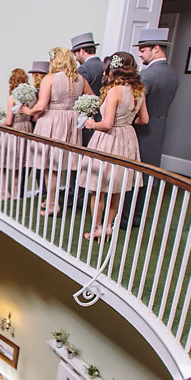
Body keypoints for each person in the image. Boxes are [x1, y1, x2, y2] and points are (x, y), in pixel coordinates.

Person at [79, 52, 148, 240]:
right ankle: (108, 227)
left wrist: (92, 124)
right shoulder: (138, 90)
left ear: (113, 69)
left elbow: (107, 124)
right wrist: (126, 123)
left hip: (108, 139)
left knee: (98, 188)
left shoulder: (114, 91)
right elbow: (144, 119)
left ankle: (96, 228)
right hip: (128, 139)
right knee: (116, 188)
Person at [23, 47, 93, 216]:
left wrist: (27, 111)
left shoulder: (50, 79)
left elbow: (40, 106)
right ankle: (51, 200)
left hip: (51, 122)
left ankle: (53, 204)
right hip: (70, 124)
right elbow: (93, 98)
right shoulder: (80, 79)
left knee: (49, 166)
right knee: (58, 166)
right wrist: (79, 112)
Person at [124, 27, 181, 227]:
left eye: (142, 49)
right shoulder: (172, 74)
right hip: (160, 128)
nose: (139, 54)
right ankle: (137, 216)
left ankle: (126, 217)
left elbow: (133, 108)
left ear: (156, 49)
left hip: (141, 129)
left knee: (133, 174)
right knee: (147, 174)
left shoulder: (146, 76)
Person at [0, 68, 34, 200]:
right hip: (27, 130)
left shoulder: (11, 98)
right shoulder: (31, 97)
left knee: (0, 163)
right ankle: (17, 194)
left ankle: (5, 193)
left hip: (13, 132)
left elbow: (9, 121)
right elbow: (33, 117)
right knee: (18, 166)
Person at [71, 32, 105, 145]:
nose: (75, 59)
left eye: (75, 54)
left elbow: (77, 92)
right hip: (103, 115)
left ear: (81, 51)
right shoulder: (104, 65)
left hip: (88, 117)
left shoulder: (84, 69)